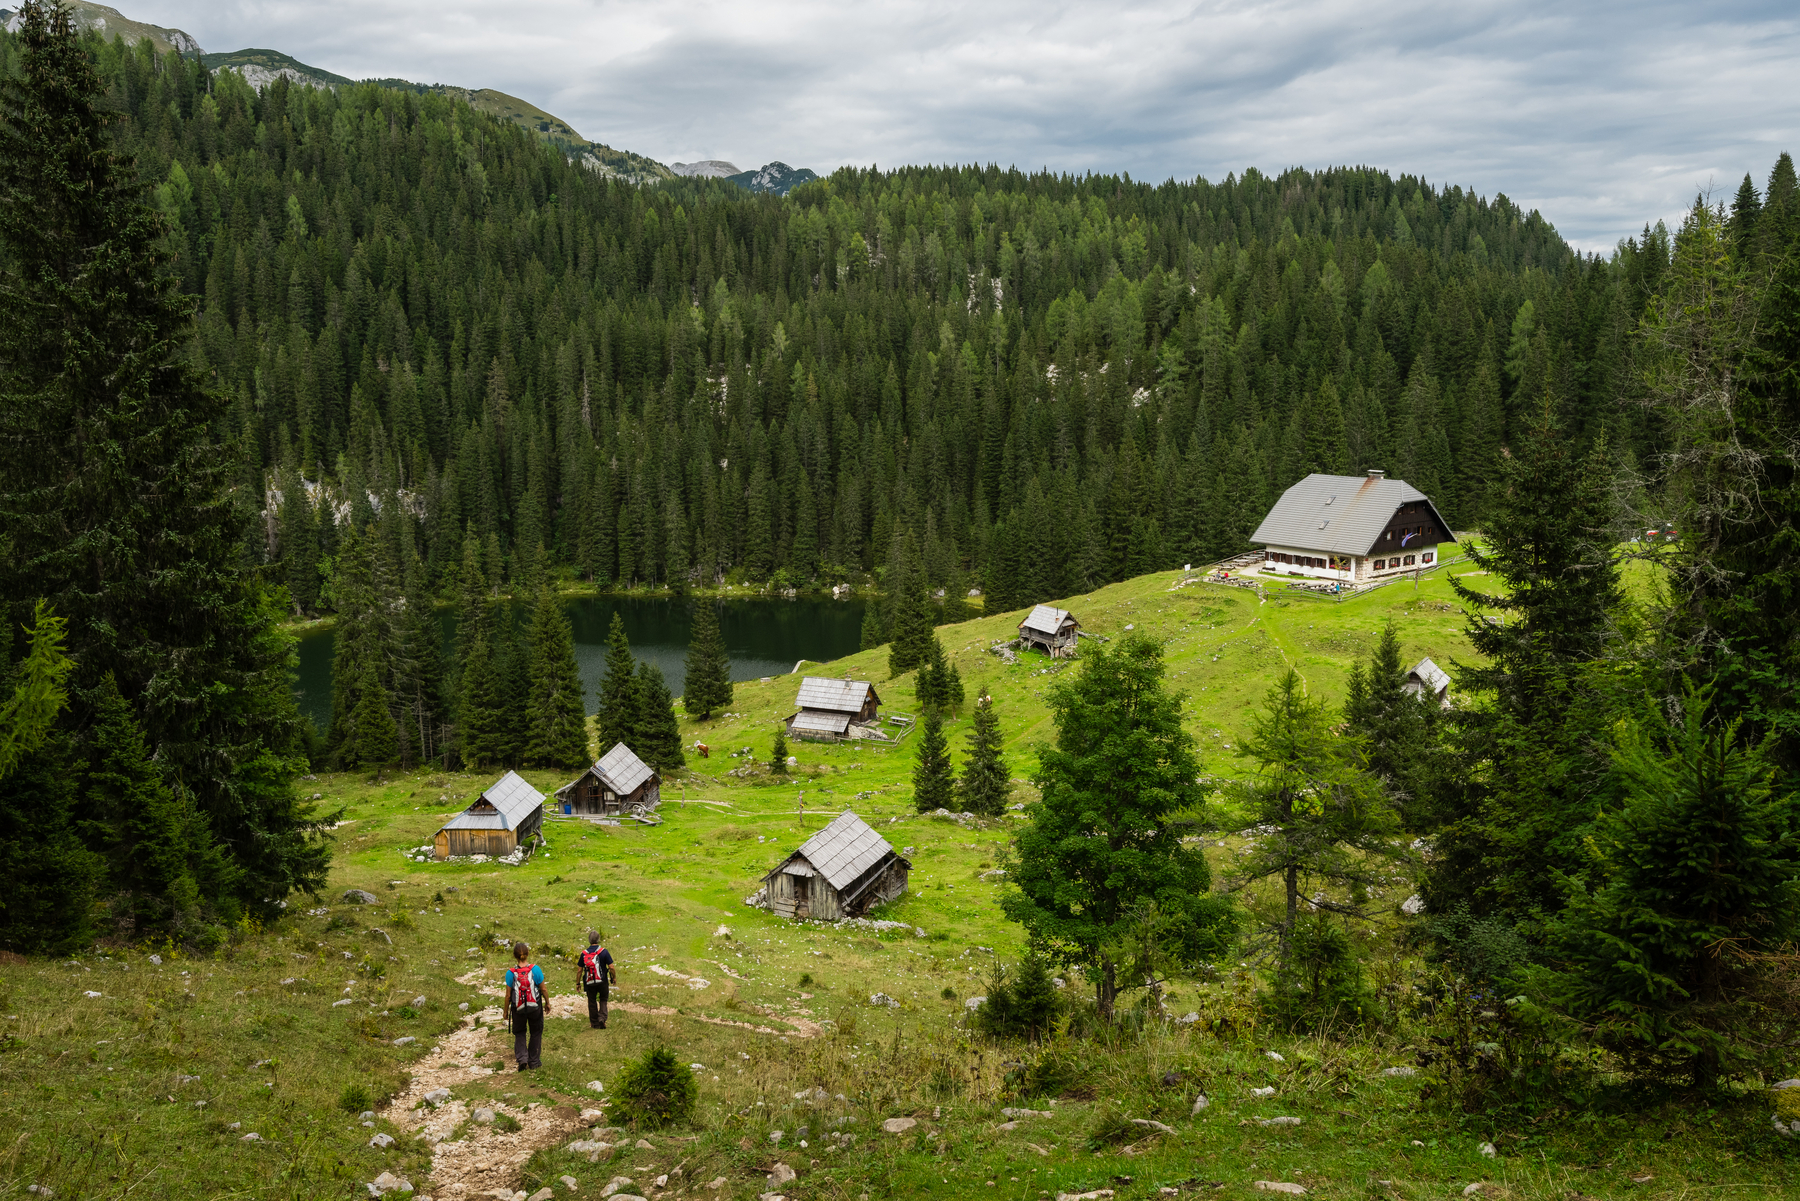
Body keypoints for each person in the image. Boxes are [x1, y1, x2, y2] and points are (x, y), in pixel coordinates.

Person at [504, 940, 546, 1070]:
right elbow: (543, 989)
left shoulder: (510, 973)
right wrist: (548, 1003)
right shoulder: (535, 969)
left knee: (520, 1032)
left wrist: (505, 1011)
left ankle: (522, 1058)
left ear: (514, 956)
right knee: (536, 1031)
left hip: (518, 1008)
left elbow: (508, 995)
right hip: (535, 1007)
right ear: (527, 954)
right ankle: (534, 1061)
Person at [577, 929, 617, 1029]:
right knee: (603, 999)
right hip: (602, 981)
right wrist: (614, 977)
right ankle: (602, 1018)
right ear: (599, 939)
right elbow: (611, 967)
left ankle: (594, 1023)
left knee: (592, 1001)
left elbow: (579, 970)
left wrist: (578, 983)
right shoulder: (604, 952)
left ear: (589, 940)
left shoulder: (584, 954)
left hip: (589, 981)